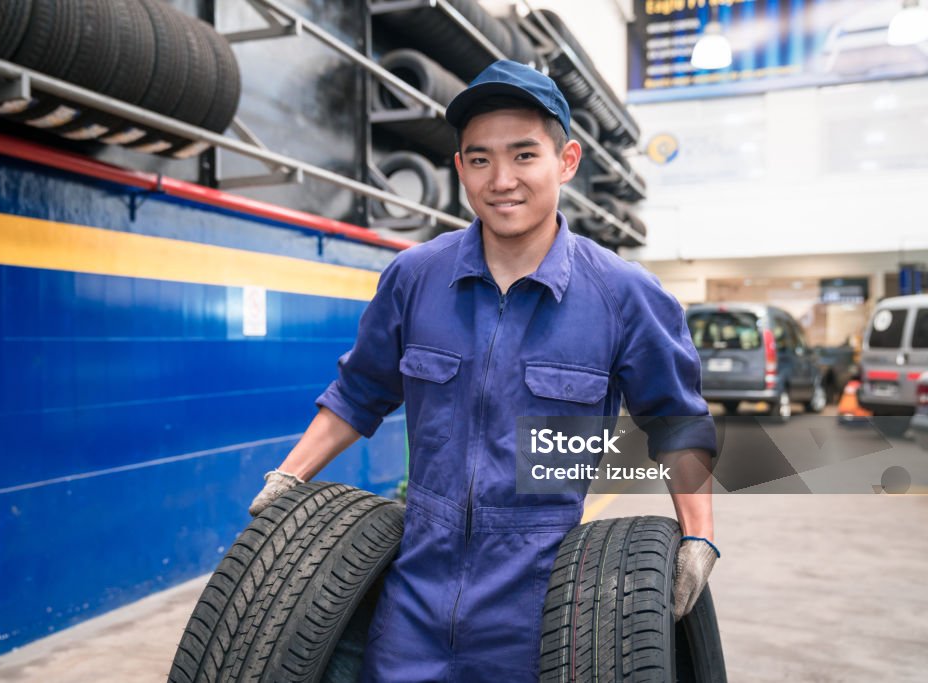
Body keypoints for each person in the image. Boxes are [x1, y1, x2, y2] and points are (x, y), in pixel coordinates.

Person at [249, 60, 718, 682]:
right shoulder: (415, 277)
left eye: (525, 156)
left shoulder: (623, 294)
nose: (502, 181)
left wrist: (698, 538)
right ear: (459, 167)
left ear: (567, 161)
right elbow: (358, 393)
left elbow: (678, 423)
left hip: (542, 604)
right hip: (414, 596)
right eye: (480, 159)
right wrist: (288, 477)